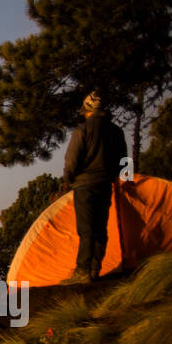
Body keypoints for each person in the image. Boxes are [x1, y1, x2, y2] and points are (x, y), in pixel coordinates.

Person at [60, 92, 129, 284]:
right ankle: (95, 269)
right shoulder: (117, 132)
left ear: (87, 110)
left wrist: (68, 179)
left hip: (84, 186)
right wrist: (124, 179)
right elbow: (125, 160)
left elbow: (72, 161)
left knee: (86, 229)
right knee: (100, 228)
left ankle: (82, 271)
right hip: (105, 185)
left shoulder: (82, 131)